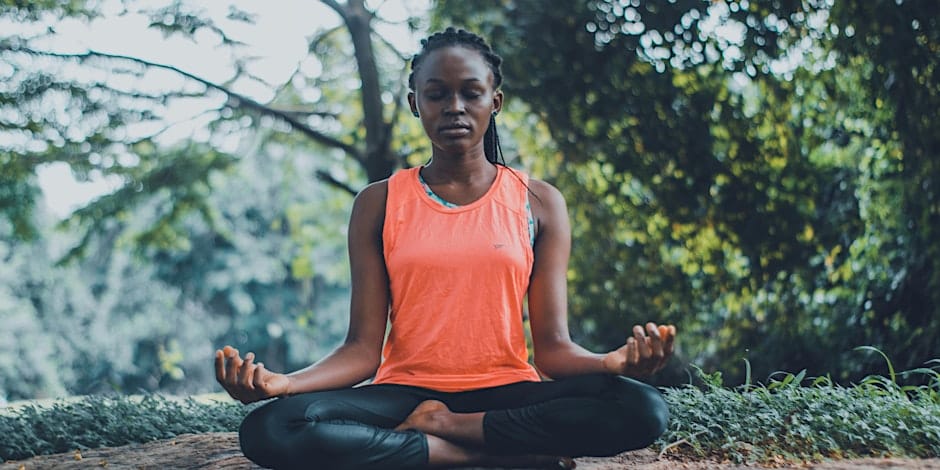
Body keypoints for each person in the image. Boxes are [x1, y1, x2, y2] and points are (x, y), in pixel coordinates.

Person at [215, 27, 676, 469]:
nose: (454, 106)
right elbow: (360, 350)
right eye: (437, 94)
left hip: (505, 391)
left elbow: (553, 350)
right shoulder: (378, 203)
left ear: (494, 101)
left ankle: (444, 427)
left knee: (640, 408)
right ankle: (481, 454)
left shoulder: (539, 202)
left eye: (470, 93)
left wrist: (609, 363)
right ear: (416, 104)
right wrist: (285, 384)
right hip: (403, 393)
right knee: (273, 427)